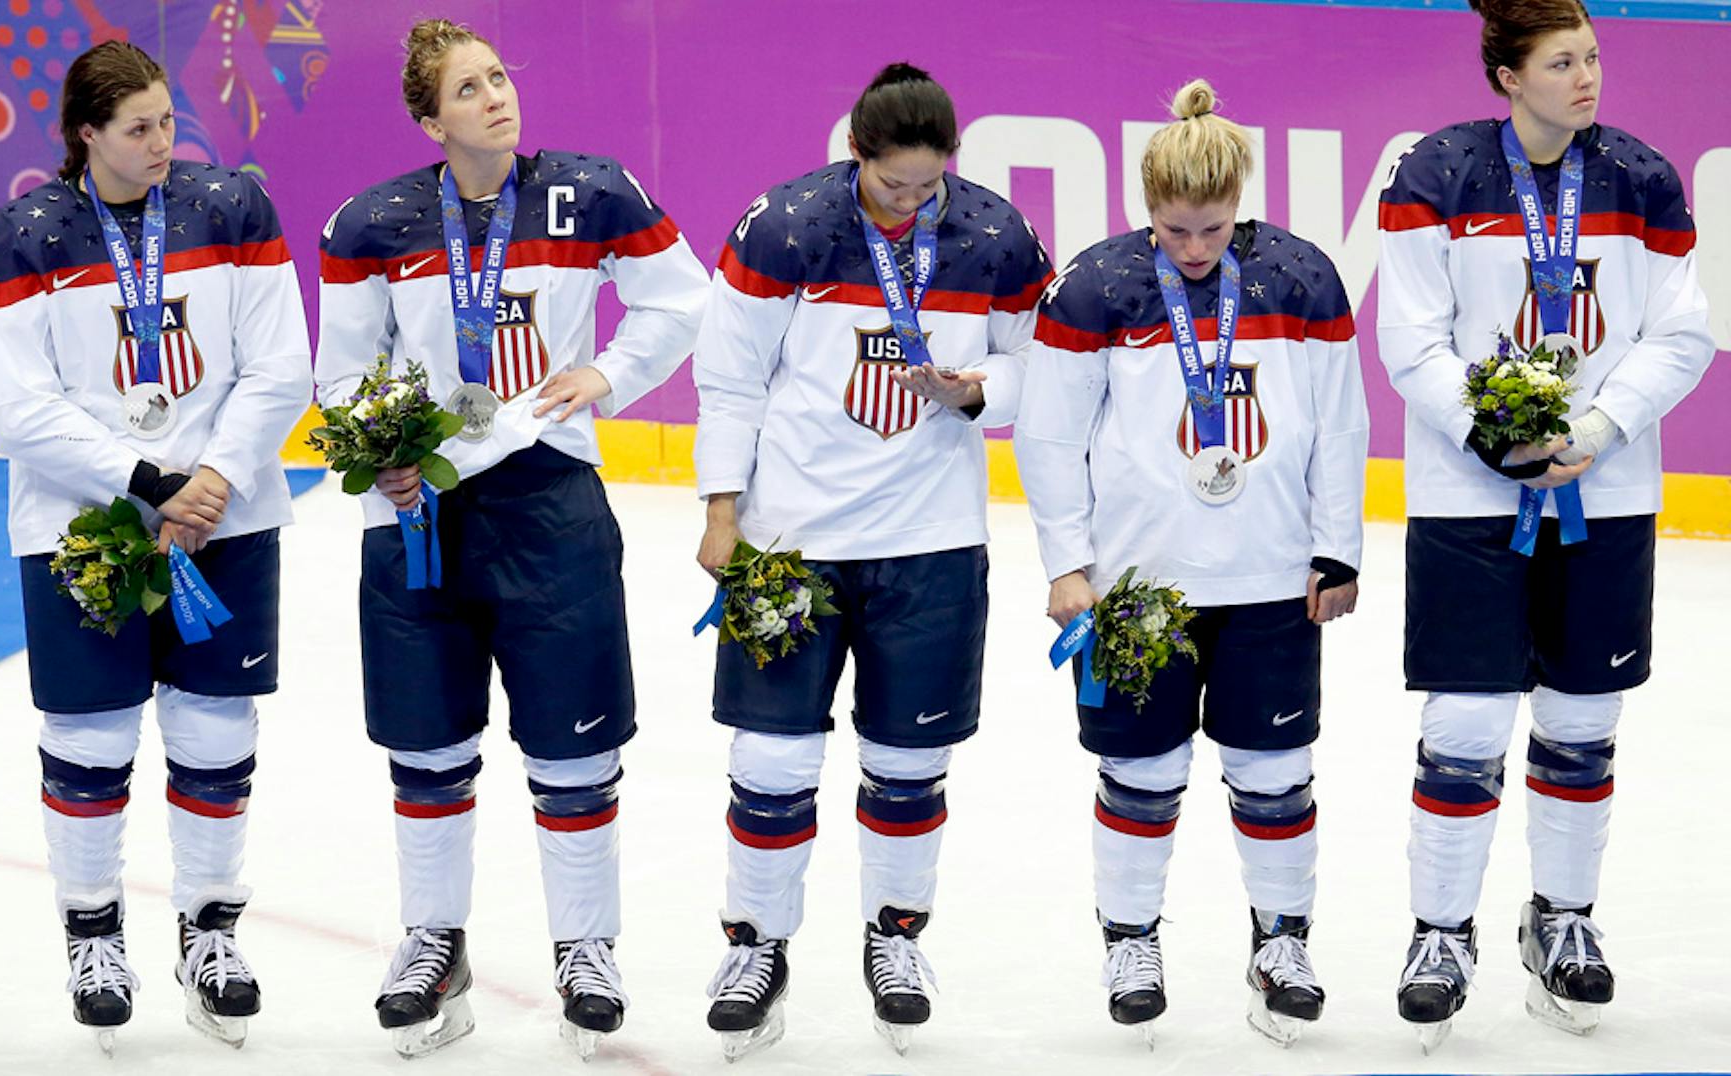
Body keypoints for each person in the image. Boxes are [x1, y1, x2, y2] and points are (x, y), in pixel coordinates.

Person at [315, 17, 708, 1061]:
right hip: (419, 510)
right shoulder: (373, 224)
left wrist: (610, 374)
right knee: (428, 744)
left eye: (499, 78)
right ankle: (433, 945)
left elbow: (683, 296)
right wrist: (379, 448)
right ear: (428, 119)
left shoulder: (591, 192)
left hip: (550, 503)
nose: (495, 97)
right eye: (468, 89)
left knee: (574, 745)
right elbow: (342, 373)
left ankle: (586, 947)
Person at [691, 63, 1052, 1060]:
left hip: (931, 545)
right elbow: (727, 378)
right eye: (894, 184)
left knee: (908, 763)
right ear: (857, 154)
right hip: (789, 546)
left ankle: (895, 936)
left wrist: (979, 386)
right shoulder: (785, 228)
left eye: (927, 184)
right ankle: (755, 943)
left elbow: (1050, 366)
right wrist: (722, 511)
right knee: (770, 760)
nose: (910, 200)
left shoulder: (993, 235)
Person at [1375, 0, 1711, 1049]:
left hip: (1604, 493)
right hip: (1468, 496)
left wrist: (1600, 427)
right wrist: (1491, 435)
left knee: (1580, 719)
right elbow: (1411, 339)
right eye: (1561, 60)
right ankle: (1440, 932)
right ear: (1507, 75)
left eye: (1593, 56)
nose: (1587, 76)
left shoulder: (1643, 177)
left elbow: (1684, 331)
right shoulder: (1435, 175)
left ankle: (1561, 919)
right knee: (1466, 727)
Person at [0, 40, 312, 1052]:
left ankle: (211, 929)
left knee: (215, 732)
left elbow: (280, 364)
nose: (163, 142)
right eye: (137, 128)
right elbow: (16, 408)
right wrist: (143, 480)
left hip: (224, 515)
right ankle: (92, 938)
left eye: (169, 120)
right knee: (92, 740)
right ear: (86, 134)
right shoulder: (26, 234)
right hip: (83, 525)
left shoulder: (231, 209)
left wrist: (213, 477)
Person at [1016, 79, 1368, 1048]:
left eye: (1212, 229)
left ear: (1239, 200)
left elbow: (1340, 422)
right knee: (1140, 770)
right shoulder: (1096, 284)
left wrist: (1339, 545)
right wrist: (1067, 562)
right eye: (1175, 230)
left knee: (1275, 772)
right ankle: (1130, 939)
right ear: (1148, 205)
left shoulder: (1301, 278)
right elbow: (1047, 436)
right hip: (1136, 587)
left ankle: (1282, 940)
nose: (1196, 248)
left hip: (1269, 580)